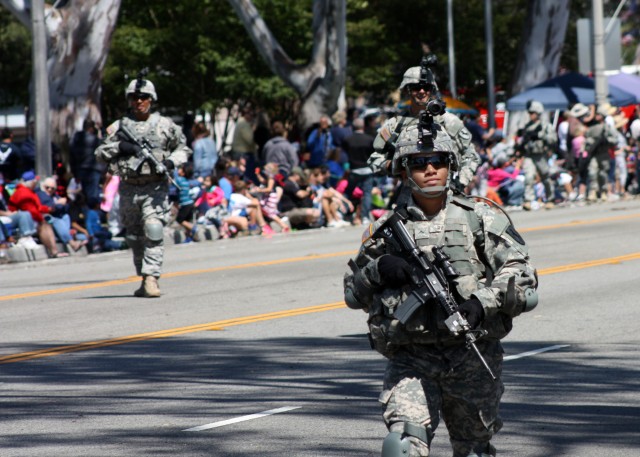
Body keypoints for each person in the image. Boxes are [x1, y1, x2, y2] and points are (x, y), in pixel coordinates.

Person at [343, 120, 538, 457]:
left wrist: (481, 303)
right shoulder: (386, 229)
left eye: (439, 161)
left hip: (471, 354)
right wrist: (378, 270)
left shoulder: (480, 216)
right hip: (411, 357)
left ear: (451, 166)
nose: (430, 169)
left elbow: (522, 276)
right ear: (405, 170)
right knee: (401, 445)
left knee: (473, 449)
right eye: (418, 163)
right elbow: (352, 294)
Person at [95, 73, 191, 298]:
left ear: (152, 99)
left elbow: (183, 149)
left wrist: (169, 162)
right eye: (135, 97)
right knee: (135, 236)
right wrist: (121, 147)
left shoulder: (165, 125)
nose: (139, 101)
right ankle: (143, 275)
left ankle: (151, 278)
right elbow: (100, 153)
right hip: (128, 187)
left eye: (144, 97)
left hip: (154, 188)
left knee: (154, 229)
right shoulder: (119, 127)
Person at [368, 62, 480, 189]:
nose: (422, 91)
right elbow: (374, 159)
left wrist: (460, 182)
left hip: (447, 192)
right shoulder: (394, 125)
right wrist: (393, 166)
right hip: (409, 192)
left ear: (432, 90)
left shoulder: (449, 122)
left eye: (426, 87)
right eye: (416, 87)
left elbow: (471, 155)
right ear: (407, 90)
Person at [8, 171, 68, 258]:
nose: (36, 183)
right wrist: (41, 219)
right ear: (31, 182)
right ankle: (54, 251)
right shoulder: (24, 193)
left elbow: (38, 207)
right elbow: (30, 210)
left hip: (29, 217)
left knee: (46, 222)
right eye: (35, 181)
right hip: (21, 220)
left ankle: (55, 250)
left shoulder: (29, 191)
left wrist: (49, 209)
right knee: (44, 224)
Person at [515, 100, 558, 210]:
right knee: (529, 177)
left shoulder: (545, 126)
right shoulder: (527, 126)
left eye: (532, 113)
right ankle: (528, 200)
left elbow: (553, 139)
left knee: (545, 176)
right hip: (529, 155)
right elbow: (523, 141)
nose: (531, 115)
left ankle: (550, 198)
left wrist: (540, 136)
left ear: (538, 113)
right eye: (530, 113)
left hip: (541, 155)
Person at [341, 117, 375, 224]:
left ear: (352, 127)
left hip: (354, 170)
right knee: (367, 194)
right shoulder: (369, 139)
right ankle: (365, 217)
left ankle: (343, 213)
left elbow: (344, 154)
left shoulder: (347, 139)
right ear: (363, 127)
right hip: (367, 170)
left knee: (348, 192)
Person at [583, 104, 619, 202]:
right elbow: (586, 140)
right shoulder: (592, 127)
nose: (597, 116)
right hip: (594, 154)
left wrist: (607, 140)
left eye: (599, 114)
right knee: (592, 172)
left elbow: (615, 139)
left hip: (604, 153)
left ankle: (604, 191)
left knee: (603, 173)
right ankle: (593, 191)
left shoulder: (607, 128)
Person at [70, 119, 104, 204]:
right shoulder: (95, 140)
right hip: (94, 170)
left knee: (83, 193)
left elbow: (72, 156)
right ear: (91, 128)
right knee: (93, 194)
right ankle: (92, 213)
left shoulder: (76, 140)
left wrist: (74, 171)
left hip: (81, 170)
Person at [231, 106, 258, 183]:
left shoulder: (240, 122)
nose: (252, 117)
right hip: (244, 153)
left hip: (239, 152)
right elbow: (250, 140)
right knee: (247, 176)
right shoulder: (244, 124)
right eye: (251, 115)